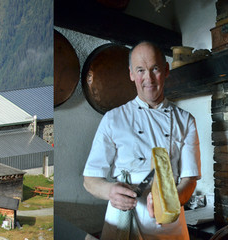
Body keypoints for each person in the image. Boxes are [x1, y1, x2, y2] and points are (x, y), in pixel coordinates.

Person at [82, 41, 201, 240]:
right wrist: (110, 191)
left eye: (154, 69)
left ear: (165, 70)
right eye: (140, 70)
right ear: (131, 74)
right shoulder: (113, 119)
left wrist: (169, 200)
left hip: (168, 227)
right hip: (122, 221)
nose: (148, 79)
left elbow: (189, 181)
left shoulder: (185, 121)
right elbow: (90, 180)